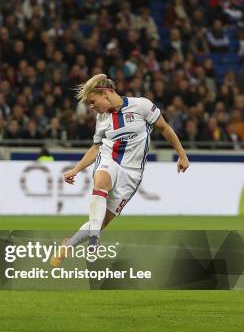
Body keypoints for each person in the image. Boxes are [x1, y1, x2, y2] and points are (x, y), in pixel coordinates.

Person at [51, 74, 189, 267]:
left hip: (132, 174)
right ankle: (94, 241)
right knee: (101, 182)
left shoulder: (142, 106)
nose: (91, 106)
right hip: (110, 159)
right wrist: (76, 169)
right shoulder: (102, 117)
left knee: (101, 222)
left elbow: (164, 128)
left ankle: (68, 245)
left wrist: (182, 155)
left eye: (93, 101)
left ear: (106, 93)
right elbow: (97, 147)